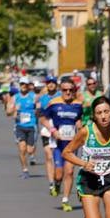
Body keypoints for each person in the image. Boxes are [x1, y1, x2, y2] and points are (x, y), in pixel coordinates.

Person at [41, 79, 85, 209]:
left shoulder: (78, 105)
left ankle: (65, 200)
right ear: (61, 90)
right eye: (65, 90)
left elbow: (79, 119)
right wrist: (53, 130)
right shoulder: (54, 103)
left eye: (71, 90)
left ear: (74, 91)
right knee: (59, 173)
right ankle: (57, 183)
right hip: (58, 143)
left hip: (72, 144)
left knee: (70, 171)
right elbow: (43, 118)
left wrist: (79, 125)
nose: (68, 92)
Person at [6, 77, 40, 176]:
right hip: (19, 126)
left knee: (30, 150)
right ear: (19, 85)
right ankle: (25, 170)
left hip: (32, 126)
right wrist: (13, 110)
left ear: (29, 85)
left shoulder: (34, 97)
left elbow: (39, 109)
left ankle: (31, 155)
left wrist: (37, 110)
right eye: (22, 84)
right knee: (22, 149)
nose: (23, 86)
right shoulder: (15, 97)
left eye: (25, 84)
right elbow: (8, 113)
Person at [37, 77, 61, 194]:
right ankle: (51, 182)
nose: (51, 85)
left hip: (60, 129)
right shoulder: (43, 98)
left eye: (53, 83)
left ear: (56, 85)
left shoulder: (62, 95)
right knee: (49, 155)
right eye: (48, 83)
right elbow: (40, 116)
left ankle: (58, 178)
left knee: (59, 156)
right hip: (47, 129)